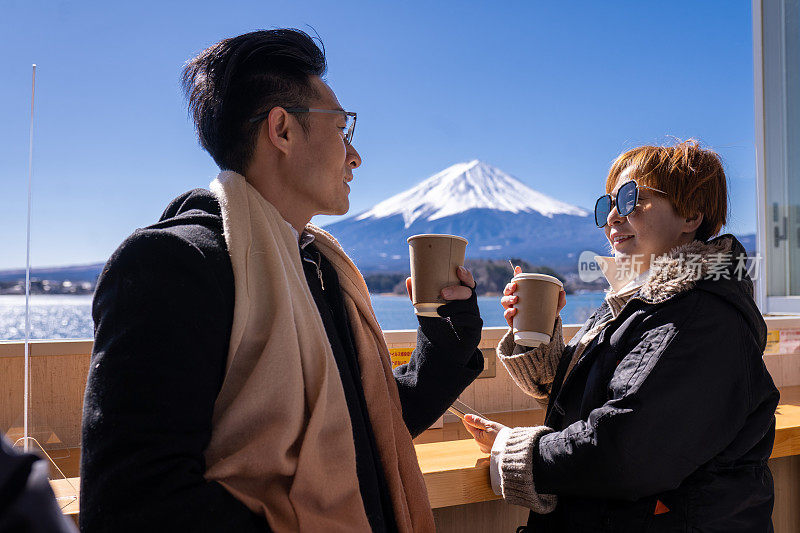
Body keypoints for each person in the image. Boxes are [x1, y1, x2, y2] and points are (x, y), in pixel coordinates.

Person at [80, 29, 483, 532]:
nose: (354, 156)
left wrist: (444, 348)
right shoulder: (170, 265)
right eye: (343, 129)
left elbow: (355, 434)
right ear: (283, 130)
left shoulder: (317, 268)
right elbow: (134, 503)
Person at [463, 140, 779, 532]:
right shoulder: (643, 296)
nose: (613, 216)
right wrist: (534, 334)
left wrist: (513, 449)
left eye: (631, 199)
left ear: (692, 214)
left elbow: (625, 452)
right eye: (608, 203)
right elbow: (588, 393)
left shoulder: (700, 316)